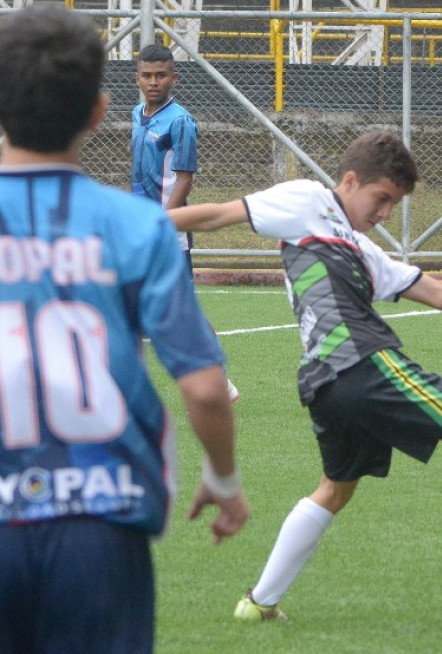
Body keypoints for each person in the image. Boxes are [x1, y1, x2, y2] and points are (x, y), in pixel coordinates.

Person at [168, 130, 442, 633]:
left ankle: (260, 600)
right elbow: (213, 215)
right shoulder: (307, 200)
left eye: (395, 204)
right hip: (363, 362)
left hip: (324, 381)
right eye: (381, 198)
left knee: (335, 490)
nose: (385, 212)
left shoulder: (361, 249)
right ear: (350, 180)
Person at [0, 6, 249, 654]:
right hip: (100, 519)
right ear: (97, 112)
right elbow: (202, 389)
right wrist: (223, 480)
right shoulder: (140, 227)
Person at [131, 43, 239, 403]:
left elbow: (185, 178)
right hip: (139, 224)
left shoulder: (180, 121)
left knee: (182, 307)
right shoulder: (136, 114)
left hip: (167, 229)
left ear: (174, 78)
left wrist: (166, 221)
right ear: (137, 78)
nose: (153, 82)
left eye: (161, 75)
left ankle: (219, 378)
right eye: (147, 75)